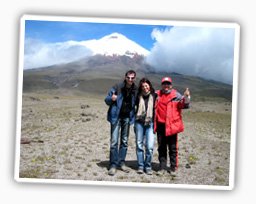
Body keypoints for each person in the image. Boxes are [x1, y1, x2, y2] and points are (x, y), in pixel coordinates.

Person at [154, 76, 190, 176]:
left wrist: (186, 97)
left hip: (172, 126)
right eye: (164, 84)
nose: (166, 85)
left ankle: (173, 167)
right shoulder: (157, 94)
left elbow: (185, 105)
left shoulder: (176, 95)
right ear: (162, 85)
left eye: (168, 84)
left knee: (173, 148)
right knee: (161, 147)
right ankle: (162, 167)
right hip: (160, 125)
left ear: (171, 85)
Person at [104, 70, 137, 176]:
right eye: (128, 77)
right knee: (114, 142)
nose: (130, 80)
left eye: (132, 78)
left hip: (127, 118)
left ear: (134, 79)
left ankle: (121, 163)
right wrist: (111, 98)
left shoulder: (135, 89)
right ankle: (113, 165)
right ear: (125, 77)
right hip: (116, 118)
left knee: (124, 141)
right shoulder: (117, 87)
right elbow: (106, 99)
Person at [134, 78, 157, 175]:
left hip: (150, 123)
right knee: (139, 145)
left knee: (150, 146)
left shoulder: (155, 96)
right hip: (139, 123)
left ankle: (148, 166)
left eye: (146, 85)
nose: (145, 88)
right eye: (143, 86)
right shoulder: (138, 96)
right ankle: (140, 166)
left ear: (149, 86)